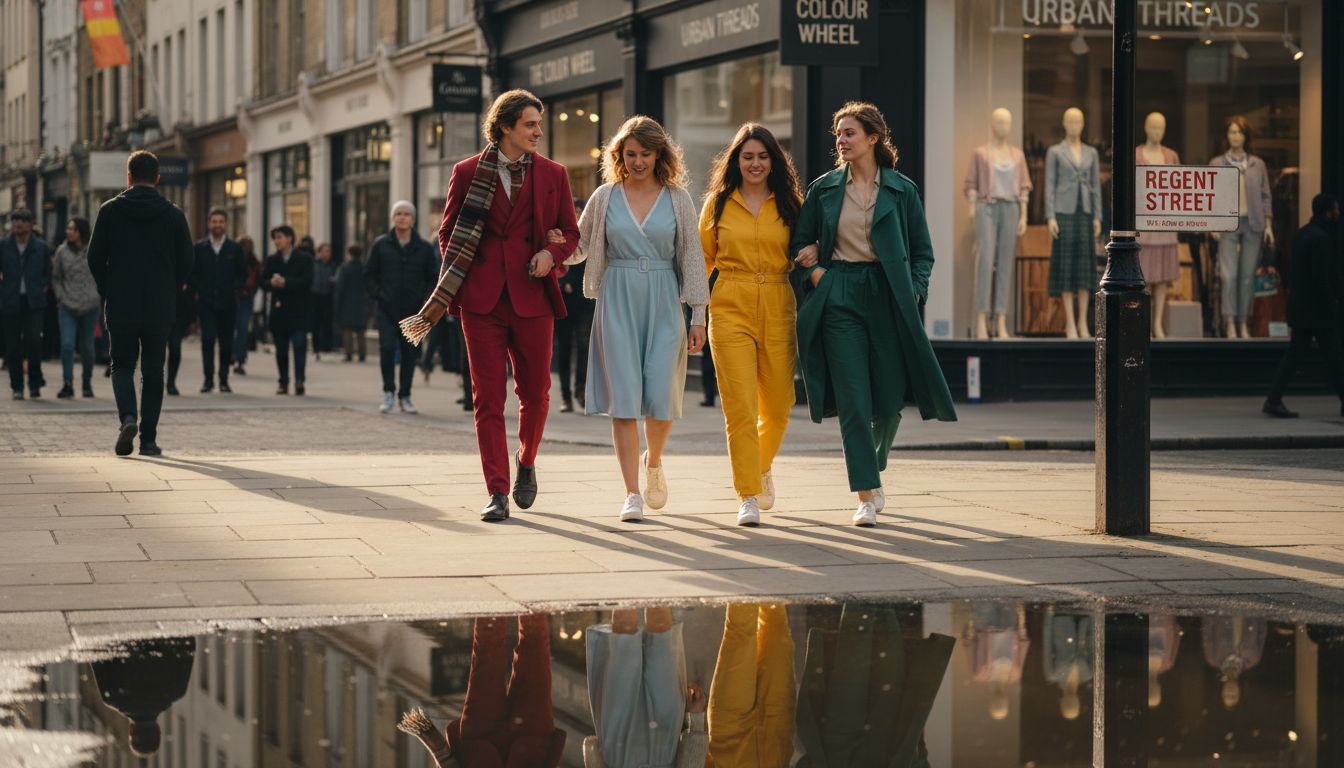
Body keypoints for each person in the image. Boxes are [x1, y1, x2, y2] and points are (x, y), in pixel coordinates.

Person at [399, 89, 580, 522]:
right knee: (487, 399)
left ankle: (527, 458)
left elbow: (570, 233)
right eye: (530, 124)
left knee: (536, 394)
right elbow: (447, 234)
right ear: (505, 128)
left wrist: (550, 256)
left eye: (539, 123)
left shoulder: (554, 174)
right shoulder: (465, 173)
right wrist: (468, 275)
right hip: (481, 302)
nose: (539, 131)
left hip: (533, 297)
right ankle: (496, 490)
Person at [791, 102, 957, 527]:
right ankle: (864, 493)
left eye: (849, 133)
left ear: (872, 138)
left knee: (886, 402)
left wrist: (915, 291)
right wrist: (814, 274)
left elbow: (923, 252)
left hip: (888, 295)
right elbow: (798, 244)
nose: (841, 141)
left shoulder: (902, 190)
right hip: (839, 291)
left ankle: (872, 464)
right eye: (837, 134)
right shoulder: (824, 188)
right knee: (852, 398)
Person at [577, 116, 709, 523]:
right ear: (619, 155)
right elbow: (577, 244)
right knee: (624, 399)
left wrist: (699, 314)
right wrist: (546, 247)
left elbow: (691, 256)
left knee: (660, 398)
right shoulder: (604, 196)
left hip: (664, 300)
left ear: (659, 154)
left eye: (645, 154)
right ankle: (632, 492)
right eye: (630, 154)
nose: (637, 162)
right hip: (616, 297)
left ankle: (654, 463)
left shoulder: (678, 198)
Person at [698, 123, 804, 526]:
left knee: (778, 407)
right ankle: (748, 495)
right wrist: (692, 312)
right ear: (736, 161)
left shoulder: (792, 203)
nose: (755, 163)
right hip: (729, 306)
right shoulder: (717, 204)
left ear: (773, 160)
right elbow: (702, 262)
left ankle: (759, 466)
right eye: (747, 157)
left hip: (779, 303)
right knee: (740, 409)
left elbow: (807, 247)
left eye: (763, 156)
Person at [86, 150, 194, 456]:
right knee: (153, 370)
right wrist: (170, 286)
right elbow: (188, 260)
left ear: (129, 177)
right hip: (160, 303)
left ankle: (128, 418)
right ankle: (148, 440)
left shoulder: (109, 211)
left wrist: (109, 287)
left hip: (121, 301)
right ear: (158, 178)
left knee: (121, 364)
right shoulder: (173, 215)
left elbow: (94, 257)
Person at [399, 615, 565, 767]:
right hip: (532, 746)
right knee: (535, 653)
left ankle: (493, 604)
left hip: (480, 742)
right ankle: (531, 592)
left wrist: (438, 749)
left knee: (486, 654)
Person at [583, 608, 708, 768]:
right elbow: (693, 761)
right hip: (663, 744)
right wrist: (696, 716)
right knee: (661, 639)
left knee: (623, 642)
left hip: (619, 752)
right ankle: (656, 585)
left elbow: (592, 750)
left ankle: (626, 584)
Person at [1263, 193, 1344, 417]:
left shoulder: (1302, 235)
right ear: (1328, 212)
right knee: (1334, 357)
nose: (1338, 213)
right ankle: (1273, 400)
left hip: (1301, 308)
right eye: (1336, 209)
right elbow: (1322, 278)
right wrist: (1333, 303)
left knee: (1297, 355)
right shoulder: (1322, 238)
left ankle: (1273, 399)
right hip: (1318, 311)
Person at [366, 200, 439, 414]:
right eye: (398, 213)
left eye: (407, 213)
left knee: (410, 354)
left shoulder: (424, 248)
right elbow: (369, 274)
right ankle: (388, 392)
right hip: (386, 309)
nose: (402, 217)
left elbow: (433, 277)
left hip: (414, 312)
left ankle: (405, 396)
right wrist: (378, 295)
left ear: (413, 219)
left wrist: (425, 301)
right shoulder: (381, 245)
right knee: (387, 349)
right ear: (392, 217)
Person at [90, 637, 196, 758]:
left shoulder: (177, 691)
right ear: (131, 731)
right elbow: (96, 654)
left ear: (159, 729)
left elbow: (189, 645)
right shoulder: (111, 697)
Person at [191, 208, 244, 393]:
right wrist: (200, 289)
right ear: (209, 223)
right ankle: (208, 380)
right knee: (207, 339)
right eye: (214, 221)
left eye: (221, 222)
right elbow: (193, 273)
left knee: (226, 343)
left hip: (228, 303)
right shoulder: (199, 247)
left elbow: (242, 274)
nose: (217, 225)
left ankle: (223, 379)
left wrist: (233, 288)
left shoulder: (234, 249)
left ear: (226, 224)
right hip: (206, 303)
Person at [0, 208, 51, 399]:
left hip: (34, 301)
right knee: (13, 346)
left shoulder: (41, 247)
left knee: (33, 341)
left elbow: (47, 272)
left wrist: (43, 287)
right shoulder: (4, 246)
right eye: (14, 221)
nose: (17, 224)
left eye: (21, 221)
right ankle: (17, 387)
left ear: (30, 224)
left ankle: (35, 381)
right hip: (11, 300)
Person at [51, 216, 100, 398]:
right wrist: (61, 296)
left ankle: (87, 382)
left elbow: (102, 272)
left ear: (81, 231)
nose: (68, 232)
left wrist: (97, 293)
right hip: (68, 305)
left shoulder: (94, 249)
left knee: (87, 347)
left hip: (90, 305)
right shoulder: (62, 251)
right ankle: (68, 383)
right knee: (67, 345)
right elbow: (56, 278)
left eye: (72, 229)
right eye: (68, 228)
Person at [262, 224, 313, 395]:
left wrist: (286, 282)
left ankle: (299, 380)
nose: (276, 241)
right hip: (279, 311)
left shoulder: (304, 259)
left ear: (289, 238)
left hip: (299, 311)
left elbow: (307, 282)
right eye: (275, 238)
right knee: (281, 349)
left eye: (279, 237)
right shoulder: (272, 260)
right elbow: (263, 281)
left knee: (299, 346)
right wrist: (271, 283)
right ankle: (283, 381)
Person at [555, 202, 594, 413]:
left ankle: (580, 390)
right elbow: (554, 263)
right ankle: (565, 396)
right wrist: (563, 284)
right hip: (563, 304)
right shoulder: (560, 236)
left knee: (584, 347)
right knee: (563, 350)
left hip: (584, 303)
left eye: (580, 212)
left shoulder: (588, 237)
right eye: (575, 212)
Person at [232, 234, 262, 376]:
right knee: (236, 329)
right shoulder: (233, 259)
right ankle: (236, 356)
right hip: (235, 296)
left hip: (245, 298)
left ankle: (239, 358)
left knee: (241, 329)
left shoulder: (254, 263)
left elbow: (258, 280)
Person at [334, 244, 369, 363]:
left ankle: (349, 353)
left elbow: (339, 287)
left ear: (349, 254)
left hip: (347, 303)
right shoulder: (365, 267)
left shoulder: (344, 268)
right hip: (362, 302)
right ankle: (362, 353)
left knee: (347, 330)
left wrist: (337, 304)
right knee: (361, 331)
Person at [312, 241, 337, 356]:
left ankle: (327, 347)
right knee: (315, 323)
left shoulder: (333, 265)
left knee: (327, 322)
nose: (327, 254)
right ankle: (316, 347)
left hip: (328, 296)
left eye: (329, 251)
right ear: (319, 252)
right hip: (315, 296)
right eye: (325, 251)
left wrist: (333, 282)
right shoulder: (314, 263)